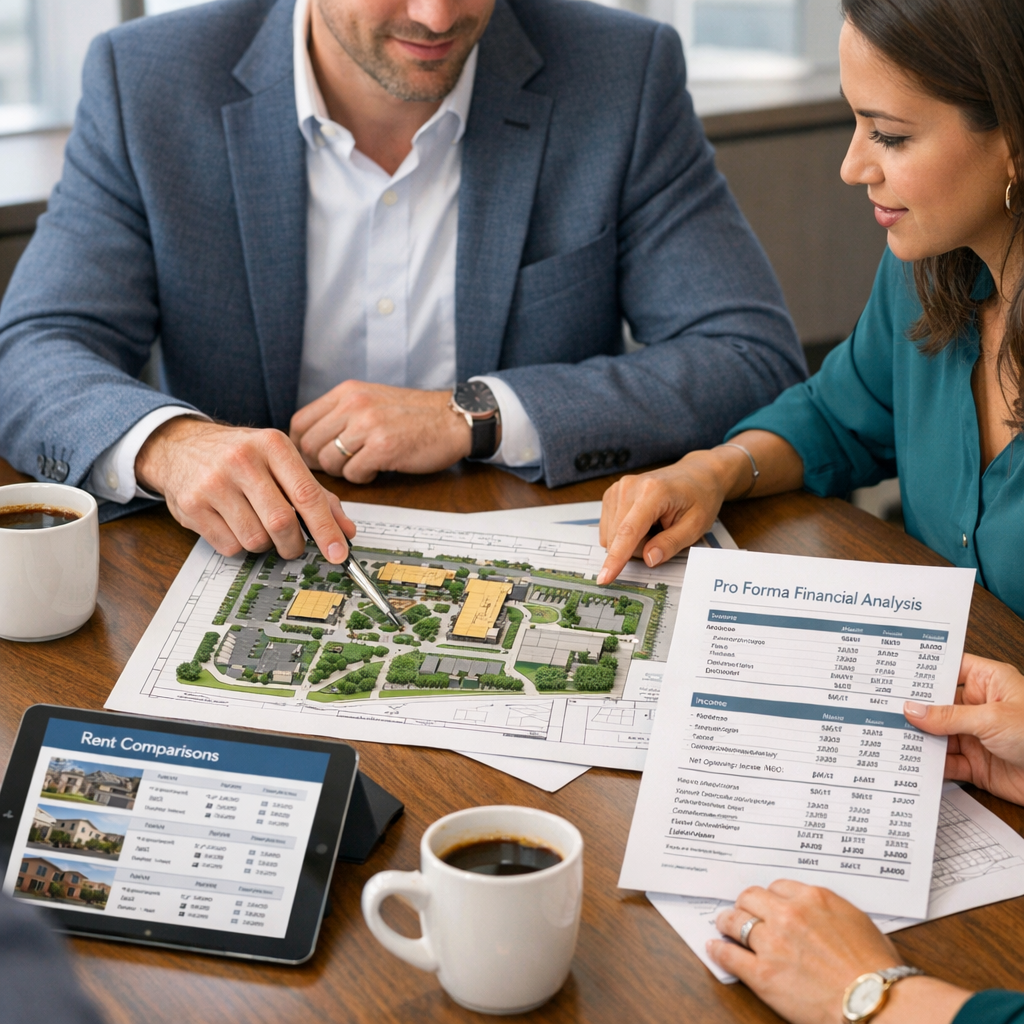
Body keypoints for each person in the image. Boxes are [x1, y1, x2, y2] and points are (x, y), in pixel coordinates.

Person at [0, 0, 805, 569]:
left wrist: (475, 415)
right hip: (244, 565)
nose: (436, 16)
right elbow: (33, 350)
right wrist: (173, 447)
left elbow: (749, 356)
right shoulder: (147, 81)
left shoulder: (621, 73)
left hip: (537, 558)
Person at [597, 0, 1024, 1018]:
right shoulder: (934, 266)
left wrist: (869, 994)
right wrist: (716, 467)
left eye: (889, 135)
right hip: (968, 780)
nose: (850, 166)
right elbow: (837, 416)